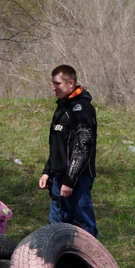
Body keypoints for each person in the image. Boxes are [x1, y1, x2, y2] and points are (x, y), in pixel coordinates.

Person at [39, 64, 98, 236]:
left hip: (76, 180)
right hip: (58, 179)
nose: (53, 88)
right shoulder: (62, 107)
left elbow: (82, 145)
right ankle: (60, 263)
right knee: (55, 230)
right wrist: (47, 172)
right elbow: (58, 146)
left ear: (71, 83)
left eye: (57, 84)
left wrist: (70, 180)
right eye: (53, 83)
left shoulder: (82, 108)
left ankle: (88, 262)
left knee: (82, 229)